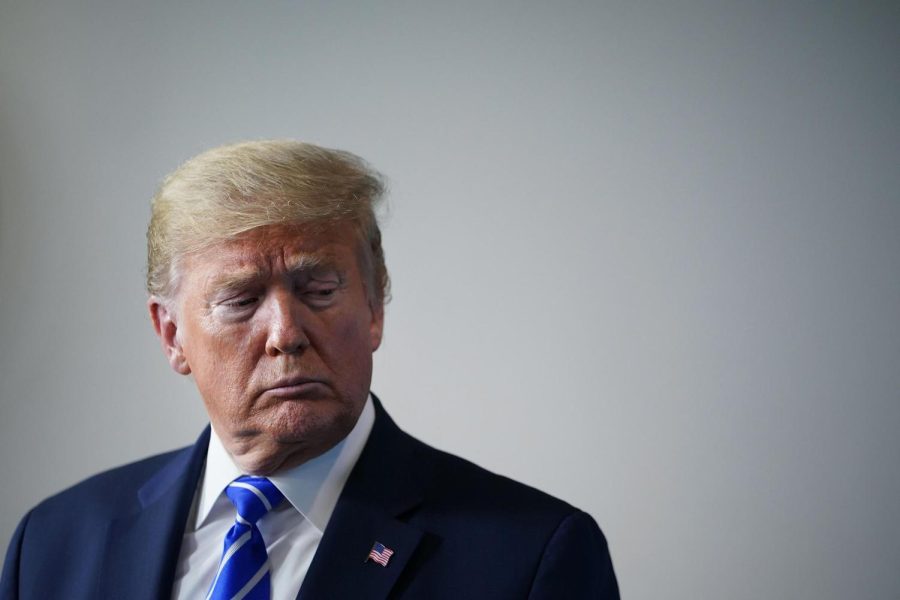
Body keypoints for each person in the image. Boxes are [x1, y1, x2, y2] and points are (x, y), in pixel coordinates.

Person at [0, 140, 619, 599]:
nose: (286, 334)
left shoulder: (532, 557)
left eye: (319, 290)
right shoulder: (52, 545)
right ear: (171, 335)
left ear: (374, 308)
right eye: (241, 300)